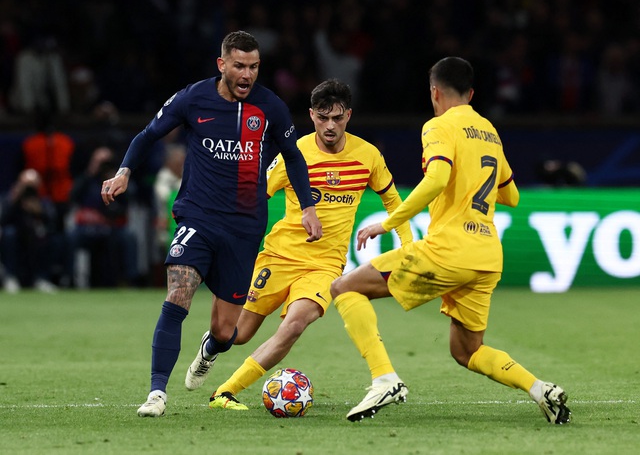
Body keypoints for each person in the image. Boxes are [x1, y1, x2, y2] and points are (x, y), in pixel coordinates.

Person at [330, 57, 571, 424]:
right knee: (467, 351)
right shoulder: (489, 130)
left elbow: (438, 178)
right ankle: (540, 390)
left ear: (434, 92)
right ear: (471, 93)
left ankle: (384, 379)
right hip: (487, 256)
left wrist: (388, 222)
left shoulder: (438, 126)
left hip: (448, 250)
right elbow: (512, 197)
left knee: (345, 287)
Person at [100, 30, 322, 418]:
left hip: (244, 227)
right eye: (239, 65)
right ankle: (156, 393)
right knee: (178, 295)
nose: (246, 74)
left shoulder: (271, 107)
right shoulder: (192, 98)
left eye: (253, 67)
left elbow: (293, 157)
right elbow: (148, 134)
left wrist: (307, 207)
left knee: (226, 332)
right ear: (222, 64)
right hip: (197, 217)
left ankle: (209, 349)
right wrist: (124, 172)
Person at [183, 78, 413, 410]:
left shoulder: (368, 156)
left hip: (325, 266)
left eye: (337, 118)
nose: (330, 125)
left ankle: (224, 392)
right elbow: (253, 196)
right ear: (311, 115)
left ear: (348, 115)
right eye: (322, 117)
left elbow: (395, 203)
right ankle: (210, 349)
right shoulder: (296, 154)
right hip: (279, 256)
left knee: (294, 325)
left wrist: (405, 245)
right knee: (237, 334)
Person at [68, 146, 139, 288]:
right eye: (99, 161)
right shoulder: (87, 180)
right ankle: (69, 279)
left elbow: (129, 200)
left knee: (129, 237)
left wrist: (116, 177)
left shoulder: (119, 180)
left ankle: (130, 281)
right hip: (89, 226)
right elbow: (73, 196)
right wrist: (90, 171)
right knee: (71, 237)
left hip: (113, 226)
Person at [0, 169, 59, 293]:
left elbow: (52, 223)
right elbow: (3, 219)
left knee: (47, 236)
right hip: (16, 236)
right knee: (9, 234)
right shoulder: (11, 199)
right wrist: (15, 199)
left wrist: (39, 211)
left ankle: (41, 278)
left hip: (36, 237)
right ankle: (10, 277)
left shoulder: (43, 201)